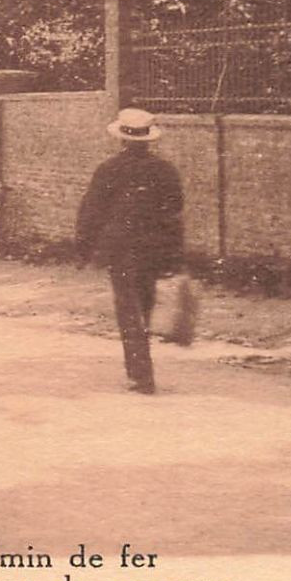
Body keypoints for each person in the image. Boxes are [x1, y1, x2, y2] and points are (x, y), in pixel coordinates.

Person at [75, 108, 184, 395]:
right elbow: (174, 211)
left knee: (127, 308)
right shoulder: (165, 170)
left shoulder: (109, 169)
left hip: (120, 249)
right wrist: (174, 253)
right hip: (153, 249)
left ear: (122, 139)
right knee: (144, 304)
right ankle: (141, 368)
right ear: (148, 140)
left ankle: (140, 374)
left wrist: (83, 247)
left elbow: (91, 210)